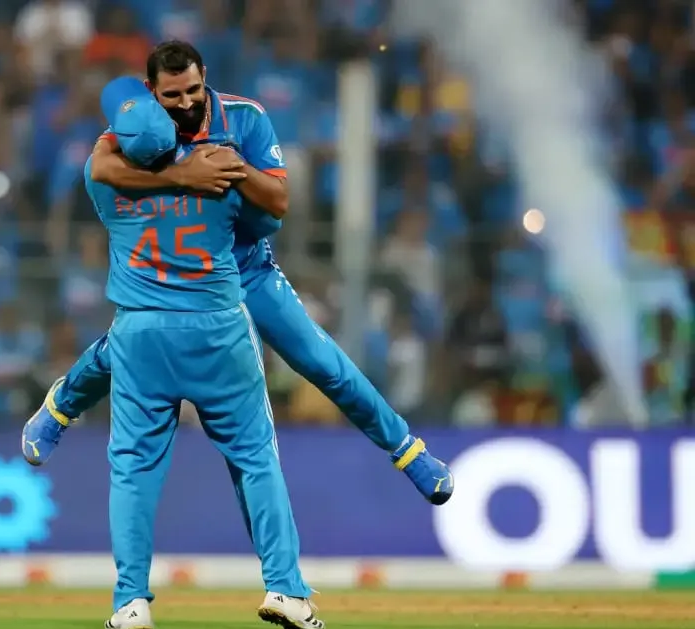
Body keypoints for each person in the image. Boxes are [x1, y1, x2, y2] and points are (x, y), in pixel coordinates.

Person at [23, 42, 454, 505]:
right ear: (153, 92)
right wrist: (181, 176)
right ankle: (58, 408)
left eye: (192, 90)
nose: (185, 103)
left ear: (204, 76)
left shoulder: (245, 117)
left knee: (321, 361)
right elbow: (102, 166)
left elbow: (279, 203)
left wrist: (236, 168)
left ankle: (408, 451)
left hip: (247, 266)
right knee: (125, 347)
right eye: (173, 95)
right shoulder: (142, 122)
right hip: (183, 273)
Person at [38, 74, 322, 629]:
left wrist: (140, 156)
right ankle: (286, 590)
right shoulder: (219, 170)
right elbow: (267, 217)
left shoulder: (104, 181)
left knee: (134, 469)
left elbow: (103, 159)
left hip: (143, 333)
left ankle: (131, 602)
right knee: (255, 458)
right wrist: (208, 171)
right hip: (219, 329)